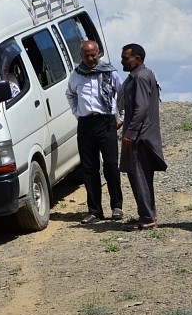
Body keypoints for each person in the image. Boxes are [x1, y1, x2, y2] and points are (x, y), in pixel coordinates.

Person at [65, 40, 124, 224]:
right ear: (80, 56)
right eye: (86, 56)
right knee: (89, 168)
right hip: (86, 124)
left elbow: (121, 94)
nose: (91, 59)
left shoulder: (109, 72)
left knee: (111, 165)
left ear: (99, 53)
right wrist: (77, 113)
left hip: (106, 122)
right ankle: (95, 211)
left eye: (93, 55)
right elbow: (70, 94)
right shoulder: (77, 74)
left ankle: (117, 206)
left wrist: (122, 116)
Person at [119, 44, 167, 231]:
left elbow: (141, 108)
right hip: (142, 134)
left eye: (125, 58)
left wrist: (130, 133)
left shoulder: (140, 77)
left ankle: (147, 217)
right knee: (141, 176)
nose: (122, 61)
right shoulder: (142, 76)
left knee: (139, 177)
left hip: (140, 137)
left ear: (137, 59)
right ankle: (147, 214)